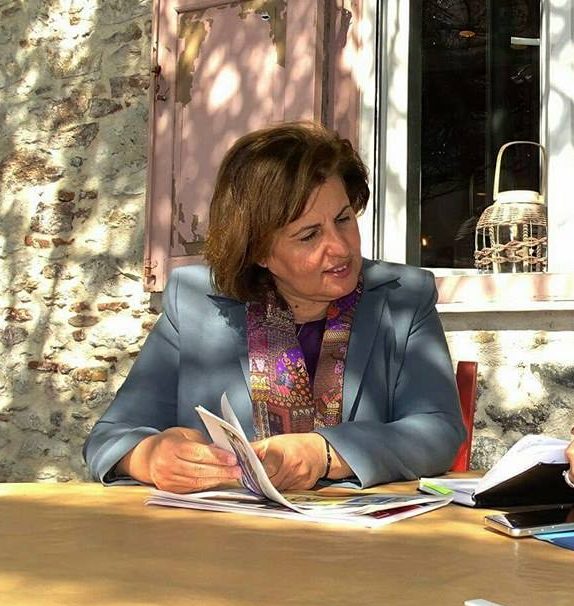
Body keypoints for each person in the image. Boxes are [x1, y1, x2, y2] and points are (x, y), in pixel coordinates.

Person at [83, 122, 466, 493]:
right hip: (226, 532)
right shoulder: (197, 303)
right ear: (260, 251)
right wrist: (151, 457)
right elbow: (110, 438)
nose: (340, 247)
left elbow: (439, 431)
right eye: (309, 235)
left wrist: (326, 453)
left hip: (358, 533)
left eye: (343, 219)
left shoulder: (403, 298)